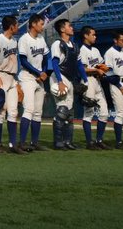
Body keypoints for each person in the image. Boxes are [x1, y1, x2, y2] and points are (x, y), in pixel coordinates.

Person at [0, 15, 21, 153]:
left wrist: (17, 83)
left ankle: (13, 144)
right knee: (1, 112)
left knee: (13, 112)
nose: (18, 27)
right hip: (0, 75)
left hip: (12, 77)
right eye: (16, 25)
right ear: (11, 26)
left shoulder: (14, 41)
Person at [16, 13, 49, 152]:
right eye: (41, 24)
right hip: (28, 77)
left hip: (39, 78)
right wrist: (38, 73)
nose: (43, 26)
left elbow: (46, 57)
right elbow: (23, 60)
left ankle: (34, 142)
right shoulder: (24, 39)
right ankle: (22, 143)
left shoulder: (41, 39)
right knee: (28, 109)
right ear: (33, 24)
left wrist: (45, 72)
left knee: (38, 112)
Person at [48, 17, 82, 151]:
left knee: (69, 113)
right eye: (69, 26)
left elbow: (78, 64)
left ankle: (68, 141)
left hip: (69, 78)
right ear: (62, 29)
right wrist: (60, 81)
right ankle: (58, 142)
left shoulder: (74, 45)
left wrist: (83, 79)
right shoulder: (57, 44)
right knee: (62, 111)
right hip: (59, 77)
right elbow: (55, 63)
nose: (72, 28)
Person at [77, 25, 109, 150]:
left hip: (97, 82)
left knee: (104, 112)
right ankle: (89, 142)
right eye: (93, 34)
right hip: (88, 82)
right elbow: (83, 69)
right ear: (86, 35)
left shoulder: (95, 50)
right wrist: (96, 69)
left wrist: (102, 68)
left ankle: (99, 140)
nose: (95, 36)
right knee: (89, 113)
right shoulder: (82, 50)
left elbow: (101, 65)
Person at [103, 31, 123, 150]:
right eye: (122, 40)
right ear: (115, 40)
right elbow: (109, 73)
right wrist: (121, 87)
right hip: (116, 84)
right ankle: (119, 142)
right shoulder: (109, 53)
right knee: (120, 113)